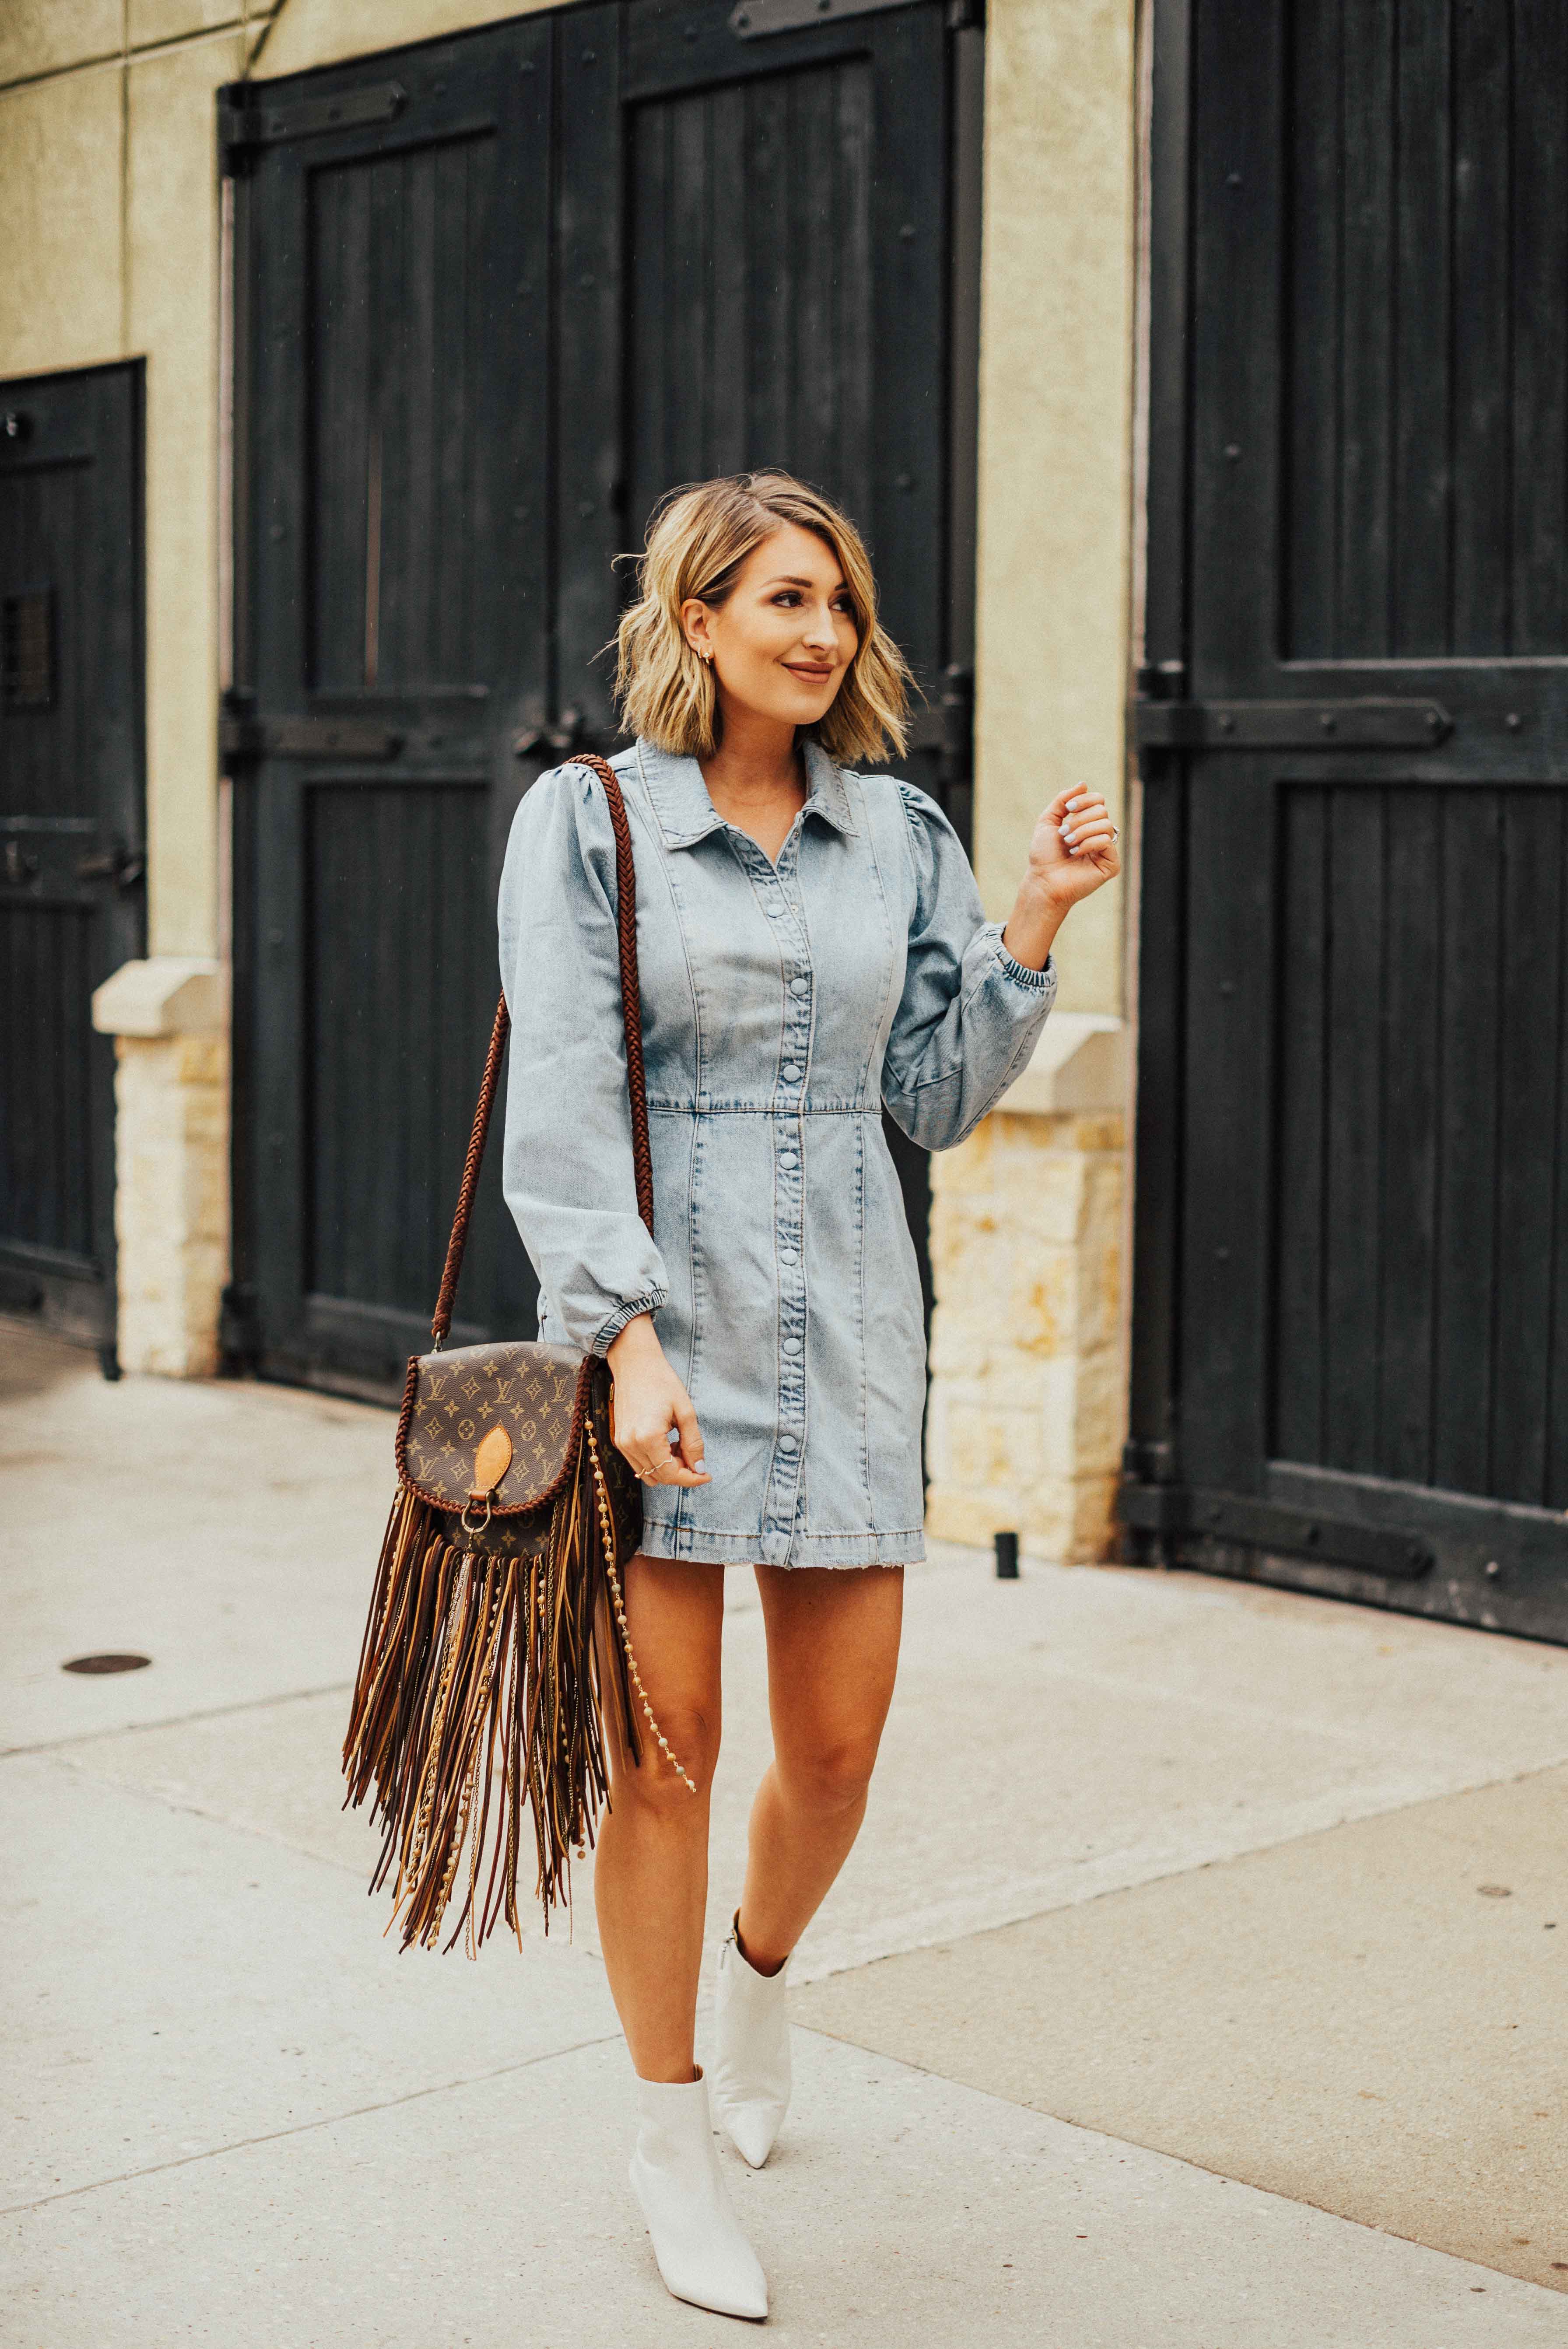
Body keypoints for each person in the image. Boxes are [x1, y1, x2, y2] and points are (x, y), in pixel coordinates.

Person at [497, 471, 1119, 2320]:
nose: (819, 632)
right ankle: (667, 2127)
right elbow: (565, 1100)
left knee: (834, 1753)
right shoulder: (590, 822)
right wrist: (616, 1337)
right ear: (693, 621)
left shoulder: (895, 830)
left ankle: (758, 1976)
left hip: (846, 1323)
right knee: (661, 1750)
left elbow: (926, 1098)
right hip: (664, 1334)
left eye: (837, 603)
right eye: (781, 598)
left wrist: (1027, 917)